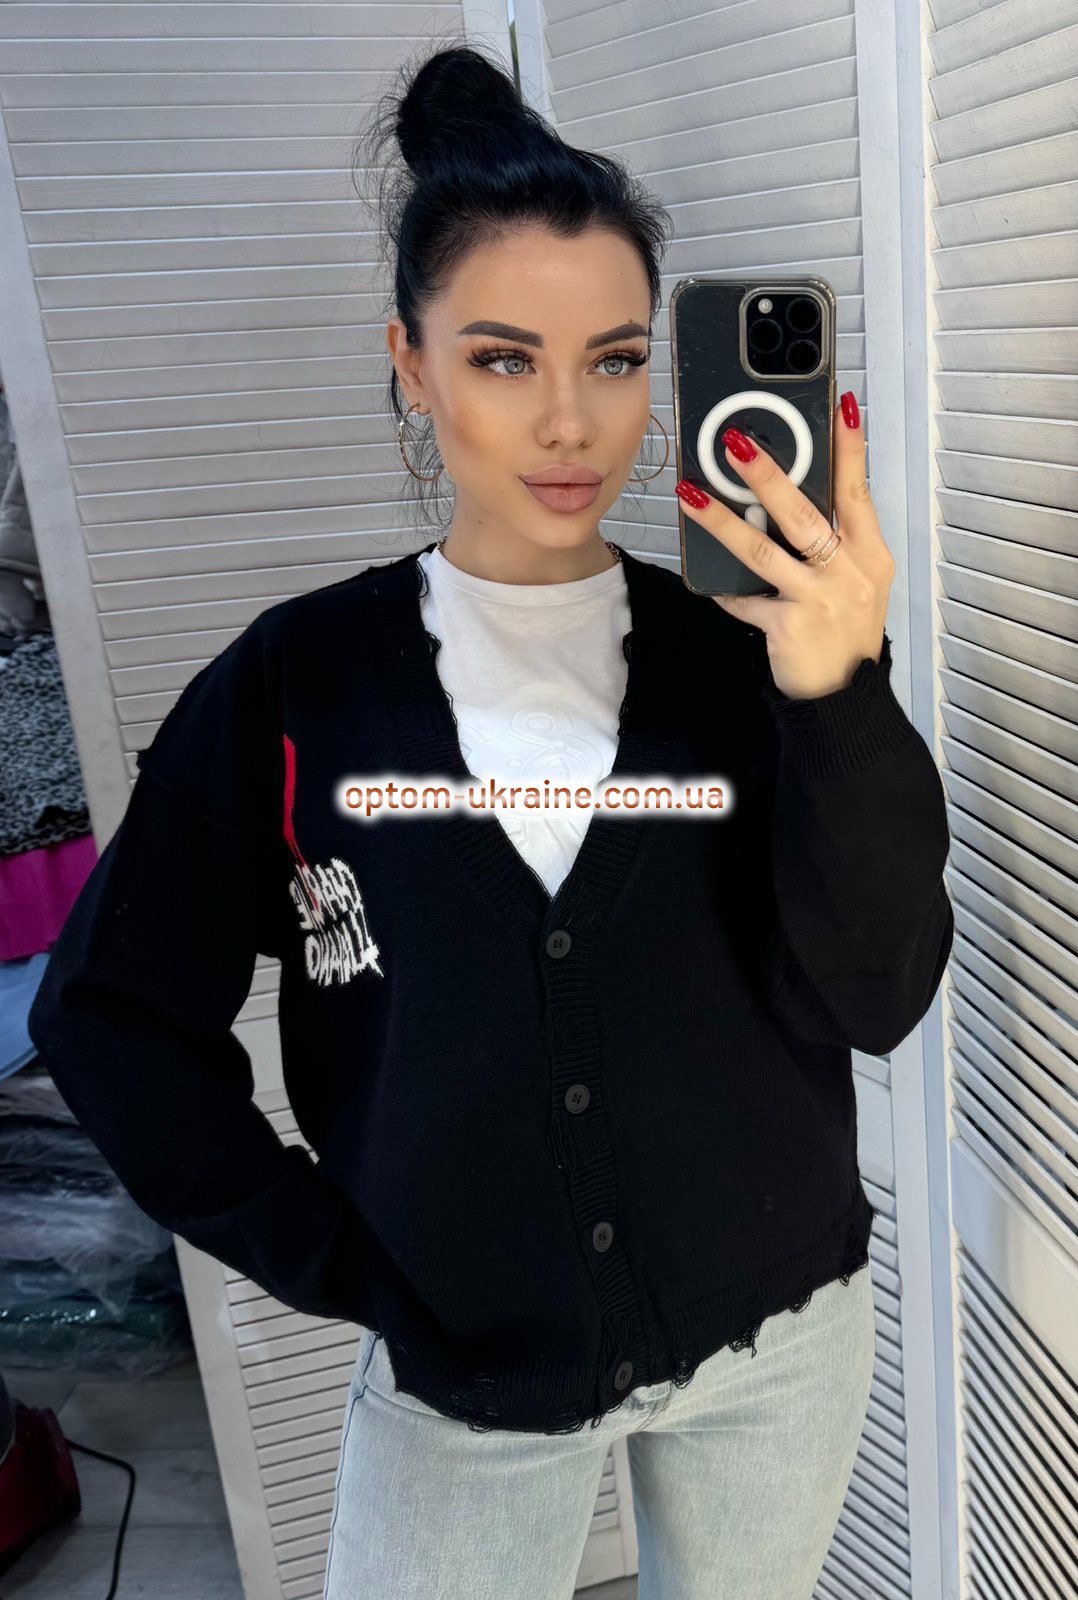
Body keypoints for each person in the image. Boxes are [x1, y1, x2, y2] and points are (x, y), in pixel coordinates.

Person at [28, 38, 954, 1600]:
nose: (569, 423)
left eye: (614, 359)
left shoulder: (747, 662)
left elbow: (878, 993)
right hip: (463, 1372)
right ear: (410, 361)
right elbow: (110, 1012)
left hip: (780, 1337)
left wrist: (837, 692)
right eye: (504, 359)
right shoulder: (300, 688)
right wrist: (331, 1250)